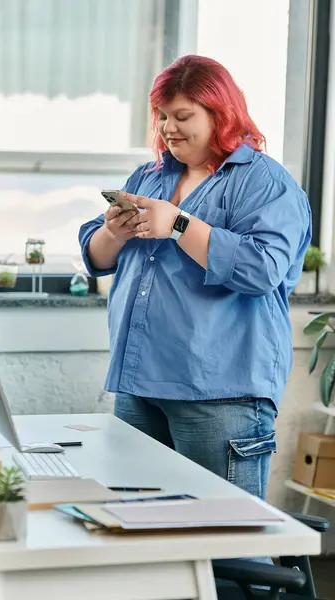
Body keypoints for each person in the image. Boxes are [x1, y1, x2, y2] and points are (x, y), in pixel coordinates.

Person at [79, 55, 312, 501]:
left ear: (220, 114)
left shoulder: (265, 183)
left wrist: (179, 223)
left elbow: (263, 269)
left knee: (228, 545)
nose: (168, 128)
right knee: (140, 529)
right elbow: (96, 256)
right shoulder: (150, 176)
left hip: (219, 394)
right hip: (140, 386)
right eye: (163, 116)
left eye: (183, 116)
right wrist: (112, 231)